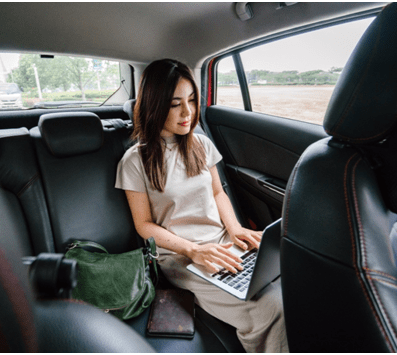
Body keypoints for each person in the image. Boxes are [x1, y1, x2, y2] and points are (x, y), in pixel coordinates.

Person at [115, 58, 288, 352]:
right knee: (270, 310)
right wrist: (194, 250)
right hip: (181, 258)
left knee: (293, 278)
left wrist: (235, 229)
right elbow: (143, 225)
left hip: (222, 242)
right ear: (155, 105)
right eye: (175, 104)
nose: (188, 112)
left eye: (192, 100)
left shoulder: (201, 143)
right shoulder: (135, 160)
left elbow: (219, 193)